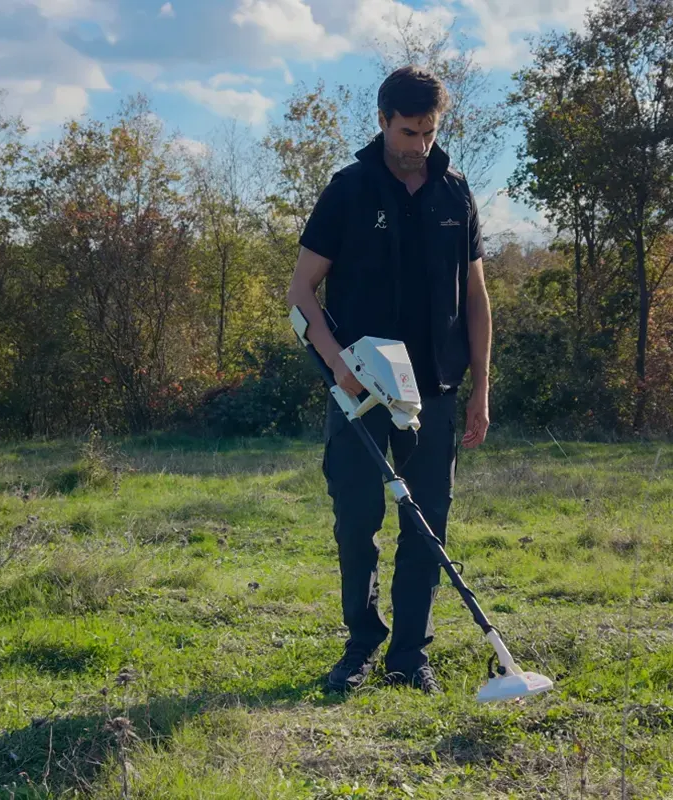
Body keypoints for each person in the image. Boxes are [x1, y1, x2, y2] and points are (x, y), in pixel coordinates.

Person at [286, 65, 492, 695]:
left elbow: (476, 298)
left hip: (435, 389)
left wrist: (481, 388)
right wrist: (338, 367)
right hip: (361, 391)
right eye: (408, 132)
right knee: (357, 521)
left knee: (426, 525)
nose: (420, 145)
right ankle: (362, 647)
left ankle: (409, 655)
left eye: (430, 132)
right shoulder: (348, 190)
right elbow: (301, 292)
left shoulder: (455, 193)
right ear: (382, 121)